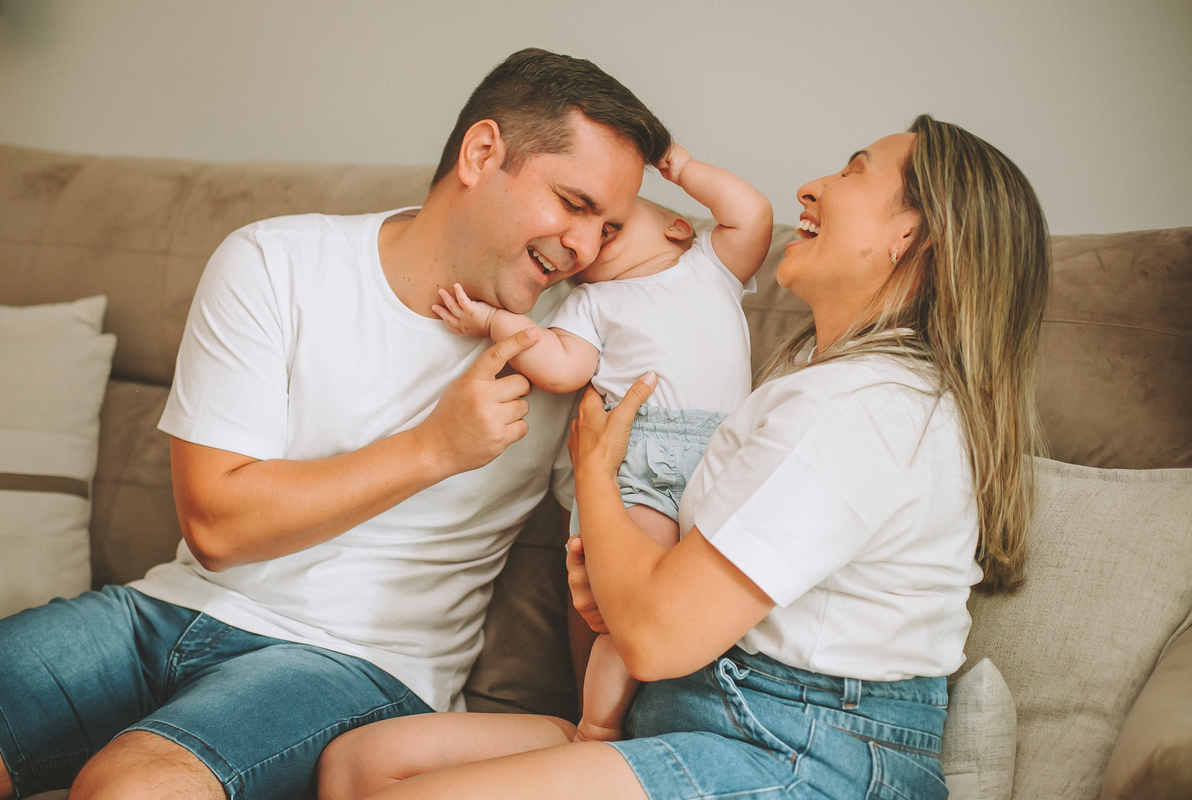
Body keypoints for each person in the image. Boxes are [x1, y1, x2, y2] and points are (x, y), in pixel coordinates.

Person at [312, 114, 1051, 800]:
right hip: (706, 709)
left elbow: (660, 635)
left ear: (911, 236)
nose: (812, 187)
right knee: (358, 765)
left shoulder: (866, 410)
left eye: (856, 173)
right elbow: (676, 604)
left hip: (802, 750)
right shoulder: (821, 383)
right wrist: (621, 582)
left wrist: (597, 474)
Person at [0, 48, 671, 800]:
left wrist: (601, 729)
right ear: (482, 153)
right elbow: (217, 529)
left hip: (360, 664)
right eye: (573, 204)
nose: (583, 249)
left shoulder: (579, 351)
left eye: (608, 228)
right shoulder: (276, 261)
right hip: (165, 610)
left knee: (132, 787)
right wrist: (434, 448)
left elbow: (611, 567)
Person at [431, 143, 772, 746]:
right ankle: (598, 724)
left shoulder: (709, 266)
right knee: (626, 604)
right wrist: (493, 323)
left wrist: (680, 167)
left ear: (675, 227)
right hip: (631, 464)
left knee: (693, 600)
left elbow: (751, 212)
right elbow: (561, 368)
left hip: (719, 464)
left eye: (612, 226)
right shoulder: (589, 302)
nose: (587, 245)